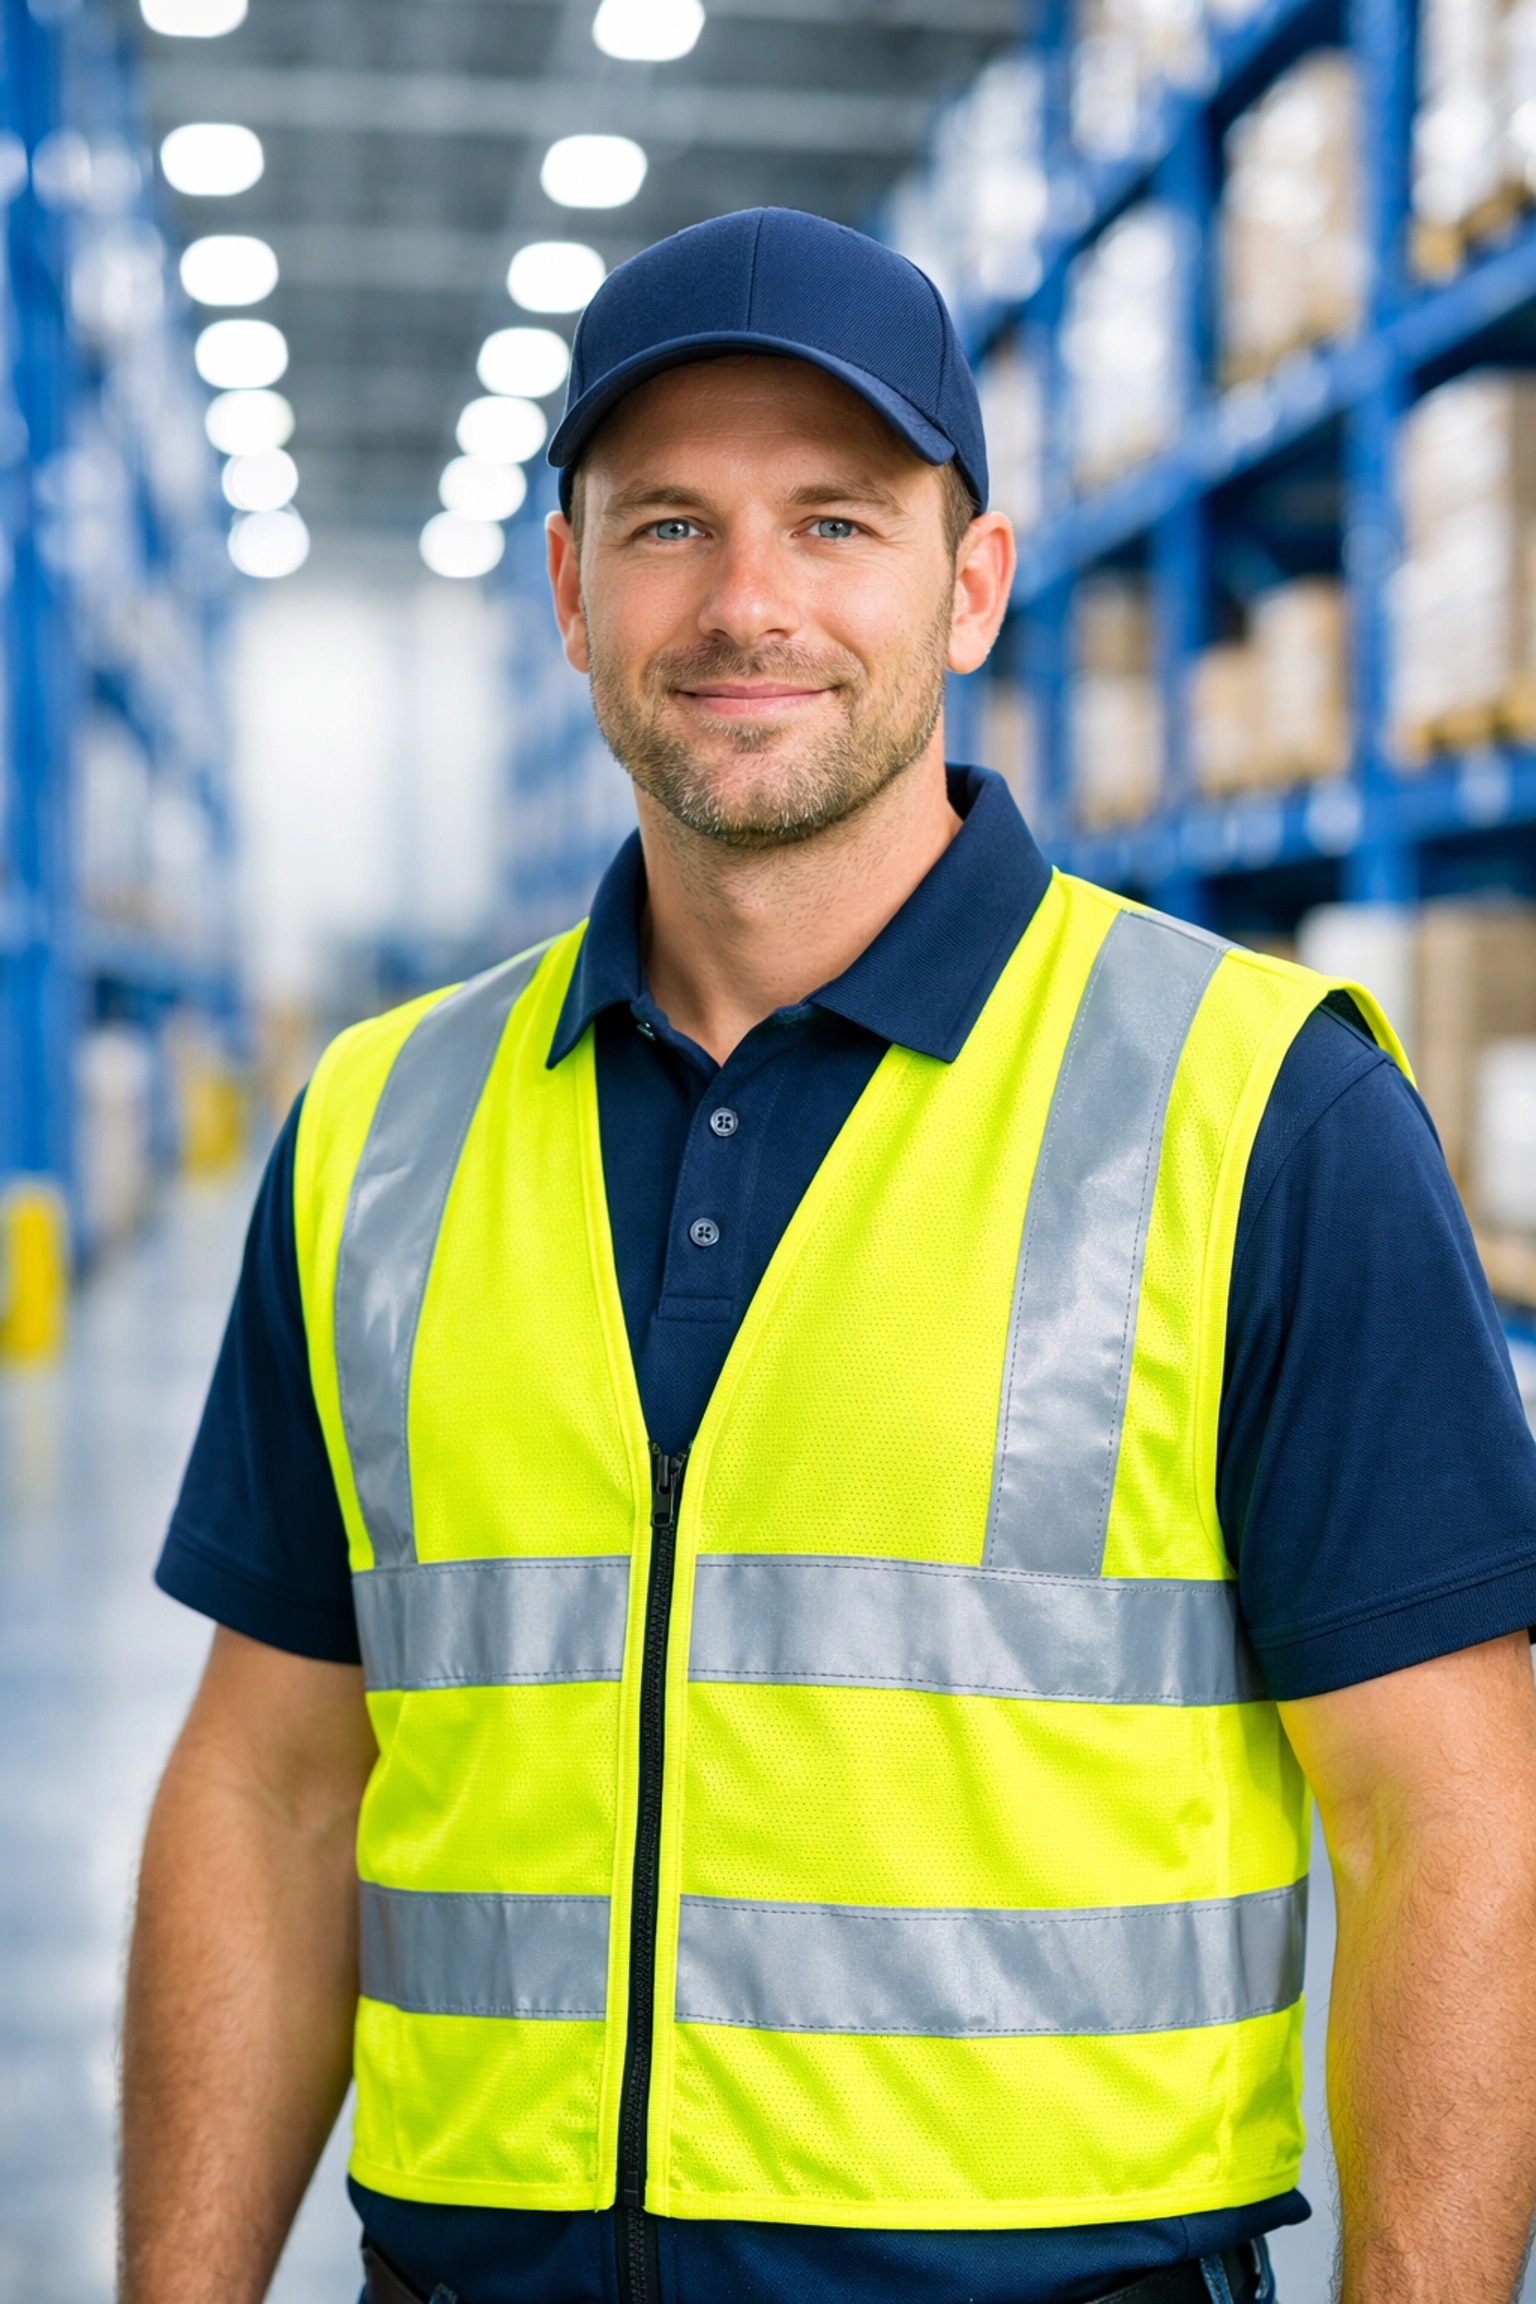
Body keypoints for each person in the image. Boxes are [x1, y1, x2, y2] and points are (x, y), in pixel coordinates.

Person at [122, 209, 1536, 2304]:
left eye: (838, 523)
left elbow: (1456, 1825)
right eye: (671, 523)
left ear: (970, 586)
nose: (749, 602)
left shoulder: (1259, 1110)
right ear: (570, 592)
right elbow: (269, 1785)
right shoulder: (379, 1132)